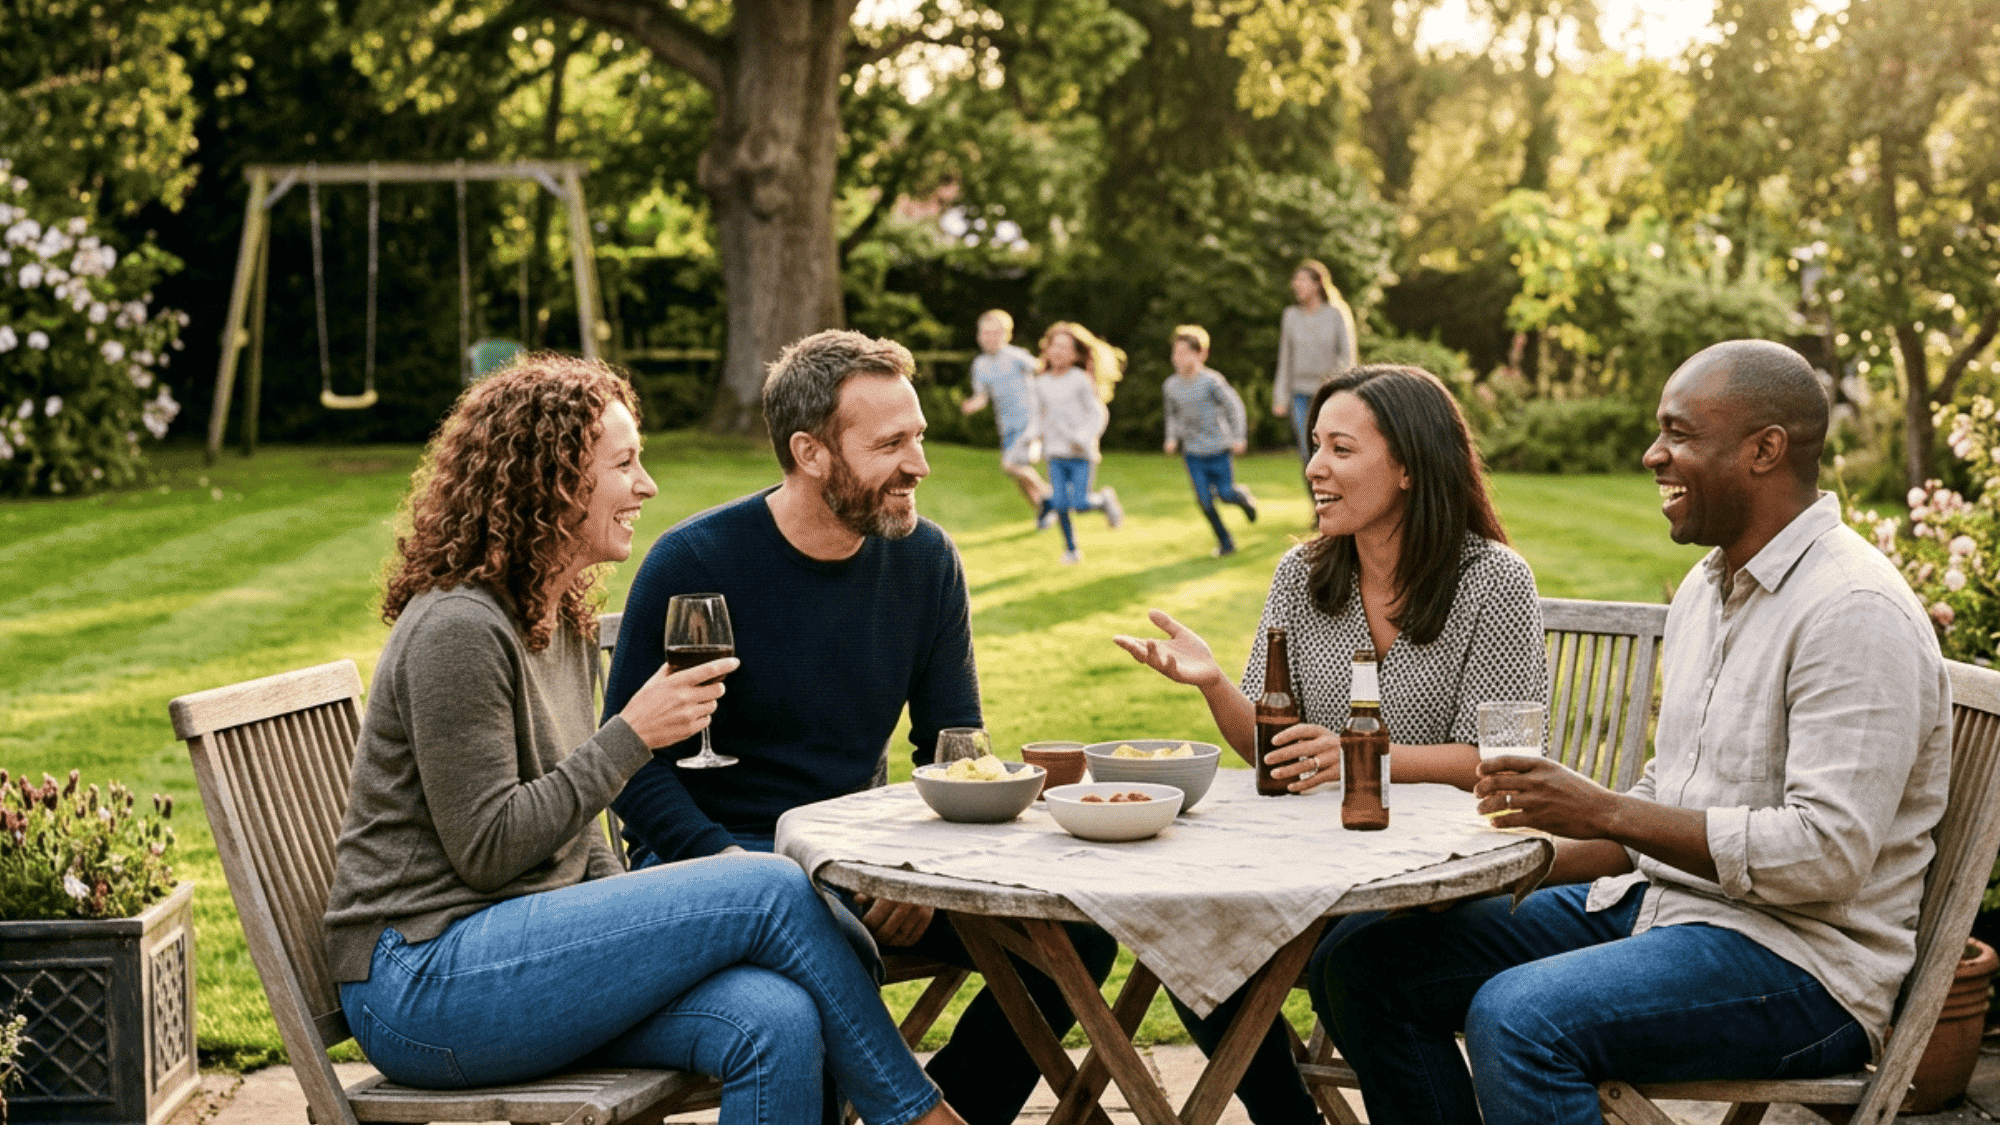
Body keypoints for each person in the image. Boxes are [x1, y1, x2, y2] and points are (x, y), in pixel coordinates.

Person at [1312, 340, 1953, 1125]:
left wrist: (1604, 810)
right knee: (1365, 962)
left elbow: (1826, 854)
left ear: (1765, 450)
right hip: (1664, 907)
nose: (1654, 455)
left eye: (1680, 433)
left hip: (1803, 964)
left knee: (1520, 1017)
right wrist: (1510, 862)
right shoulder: (1707, 588)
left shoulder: (1852, 608)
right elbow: (1669, 802)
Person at [321, 355, 967, 1125]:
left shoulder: (552, 617)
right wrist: (632, 734)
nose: (648, 485)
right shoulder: (459, 627)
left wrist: (638, 901)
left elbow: (572, 836)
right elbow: (487, 847)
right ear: (552, 481)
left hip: (522, 957)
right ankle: (918, 1116)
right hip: (425, 981)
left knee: (777, 1016)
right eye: (624, 463)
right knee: (770, 882)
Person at [603, 329, 1119, 1125]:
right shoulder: (695, 564)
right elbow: (632, 768)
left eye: (917, 436)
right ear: (811, 452)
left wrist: (917, 863)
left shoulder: (926, 560)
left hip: (859, 852)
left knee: (1075, 935)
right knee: (822, 943)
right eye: (891, 443)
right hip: (710, 858)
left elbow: (953, 746)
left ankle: (960, 1108)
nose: (919, 464)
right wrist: (745, 871)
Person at [1113, 364, 1547, 1125]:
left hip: (1436, 880)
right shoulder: (1303, 573)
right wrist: (1216, 684)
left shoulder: (1492, 580)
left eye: (1341, 449)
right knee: (1190, 932)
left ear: (1410, 465)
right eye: (1316, 446)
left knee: (1347, 961)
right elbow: (1277, 751)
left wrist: (1364, 755)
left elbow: (1504, 755)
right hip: (1318, 864)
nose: (1315, 467)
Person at [1024, 320, 1126, 563]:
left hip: (1081, 453)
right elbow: (1037, 416)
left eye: (1065, 347)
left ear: (1075, 354)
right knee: (1060, 504)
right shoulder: (1040, 383)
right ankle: (1071, 549)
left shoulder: (1080, 379)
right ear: (1046, 350)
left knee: (1080, 503)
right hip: (1055, 453)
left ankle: (1103, 500)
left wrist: (1084, 437)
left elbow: (1098, 413)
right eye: (1054, 346)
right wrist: (1032, 440)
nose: (1058, 351)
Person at [1162, 323, 1258, 557]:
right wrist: (1171, 438)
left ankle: (1242, 497)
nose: (1178, 357)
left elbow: (1234, 406)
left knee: (1225, 494)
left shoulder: (1211, 381)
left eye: (1184, 352)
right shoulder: (1171, 386)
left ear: (1200, 353)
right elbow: (1171, 415)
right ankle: (1226, 542)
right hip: (1193, 453)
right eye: (1175, 352)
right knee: (1204, 501)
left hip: (1219, 449)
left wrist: (1239, 436)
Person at [1271, 260, 1359, 482]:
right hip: (1299, 393)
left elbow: (1347, 355)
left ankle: (1340, 500)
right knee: (1307, 452)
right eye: (1294, 280)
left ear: (1317, 284)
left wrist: (1337, 385)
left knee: (1333, 449)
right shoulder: (1290, 315)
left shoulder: (1337, 313)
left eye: (1300, 280)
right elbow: (1285, 357)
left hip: (1330, 393)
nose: (1295, 285)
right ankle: (1319, 509)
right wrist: (1280, 396)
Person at [958, 309, 1048, 513]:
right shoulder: (980, 365)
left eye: (995, 333)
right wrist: (972, 404)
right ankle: (1043, 510)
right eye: (985, 333)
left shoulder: (1016, 356)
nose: (989, 338)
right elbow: (982, 397)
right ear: (979, 335)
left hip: (1029, 420)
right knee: (1016, 475)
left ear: (1007, 335)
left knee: (1010, 465)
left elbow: (1043, 370)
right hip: (1006, 425)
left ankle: (1049, 495)